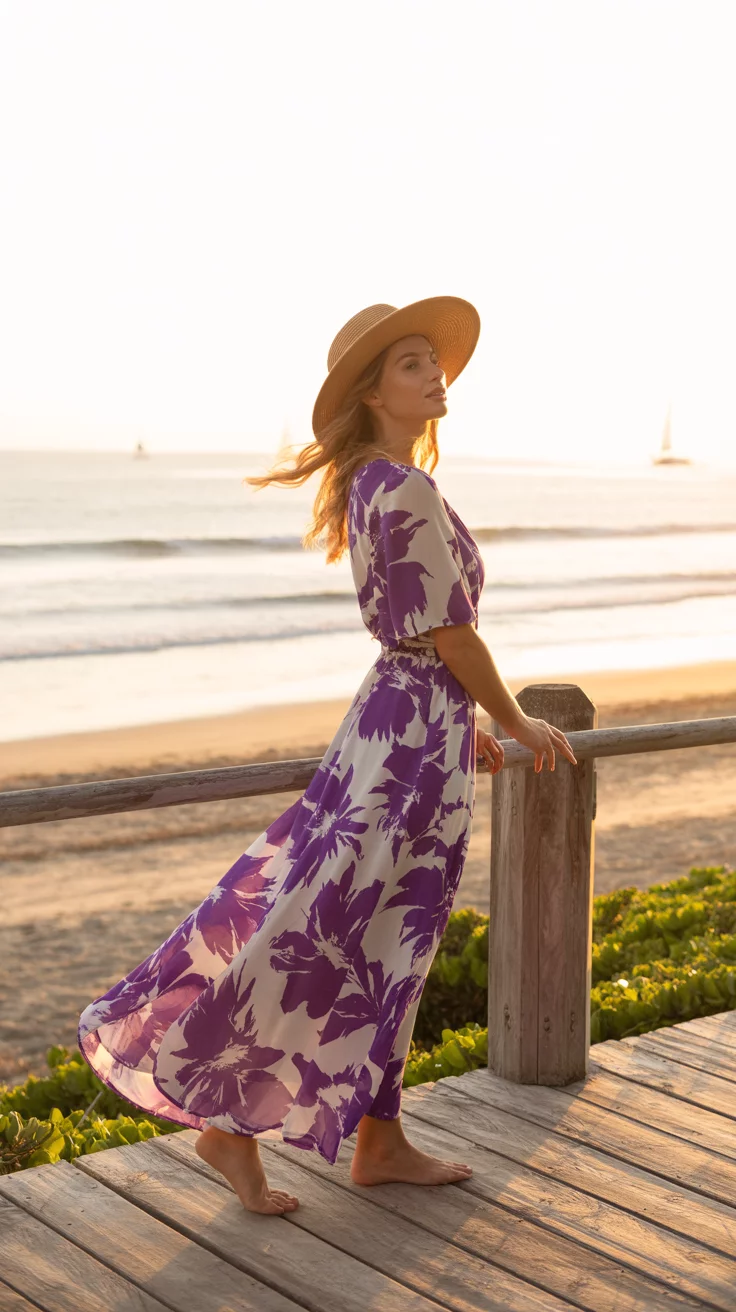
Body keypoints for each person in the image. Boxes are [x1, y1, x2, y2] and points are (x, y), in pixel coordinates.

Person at [77, 296, 577, 1216]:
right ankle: (229, 1126)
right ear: (374, 393)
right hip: (408, 745)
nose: (436, 377)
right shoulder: (405, 486)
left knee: (380, 942)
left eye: (435, 361)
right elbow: (450, 631)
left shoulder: (374, 484)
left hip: (398, 724)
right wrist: (509, 718)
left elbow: (415, 633)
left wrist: (457, 716)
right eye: (413, 365)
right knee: (346, 938)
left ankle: (377, 1142)